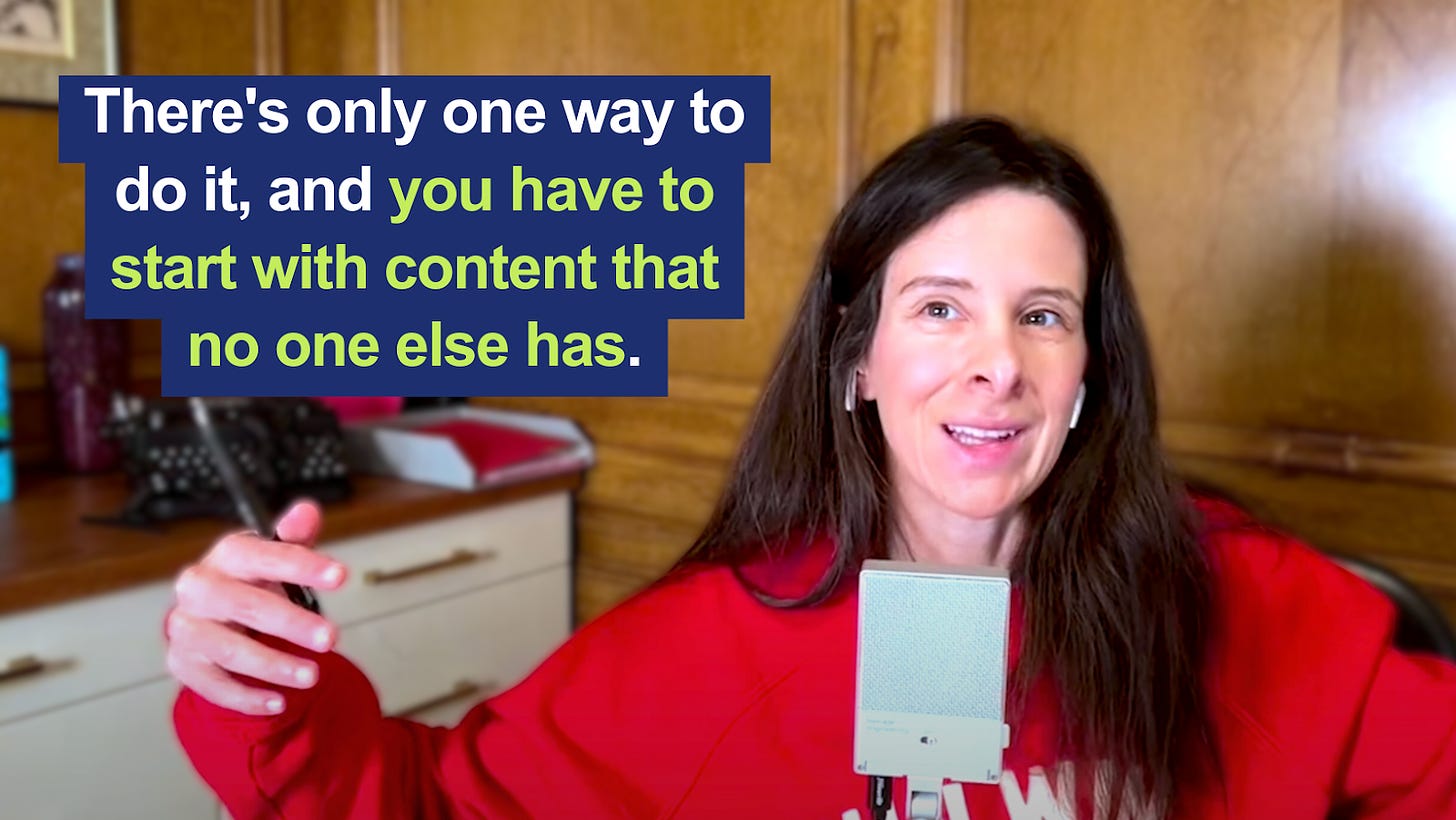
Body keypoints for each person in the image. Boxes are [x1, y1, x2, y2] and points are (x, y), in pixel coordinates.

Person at [164, 115, 1456, 820]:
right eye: (939, 308)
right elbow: (431, 814)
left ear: (1091, 377)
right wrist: (265, 693)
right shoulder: (709, 644)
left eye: (1043, 315)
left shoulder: (1249, 599)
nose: (996, 361)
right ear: (857, 365)